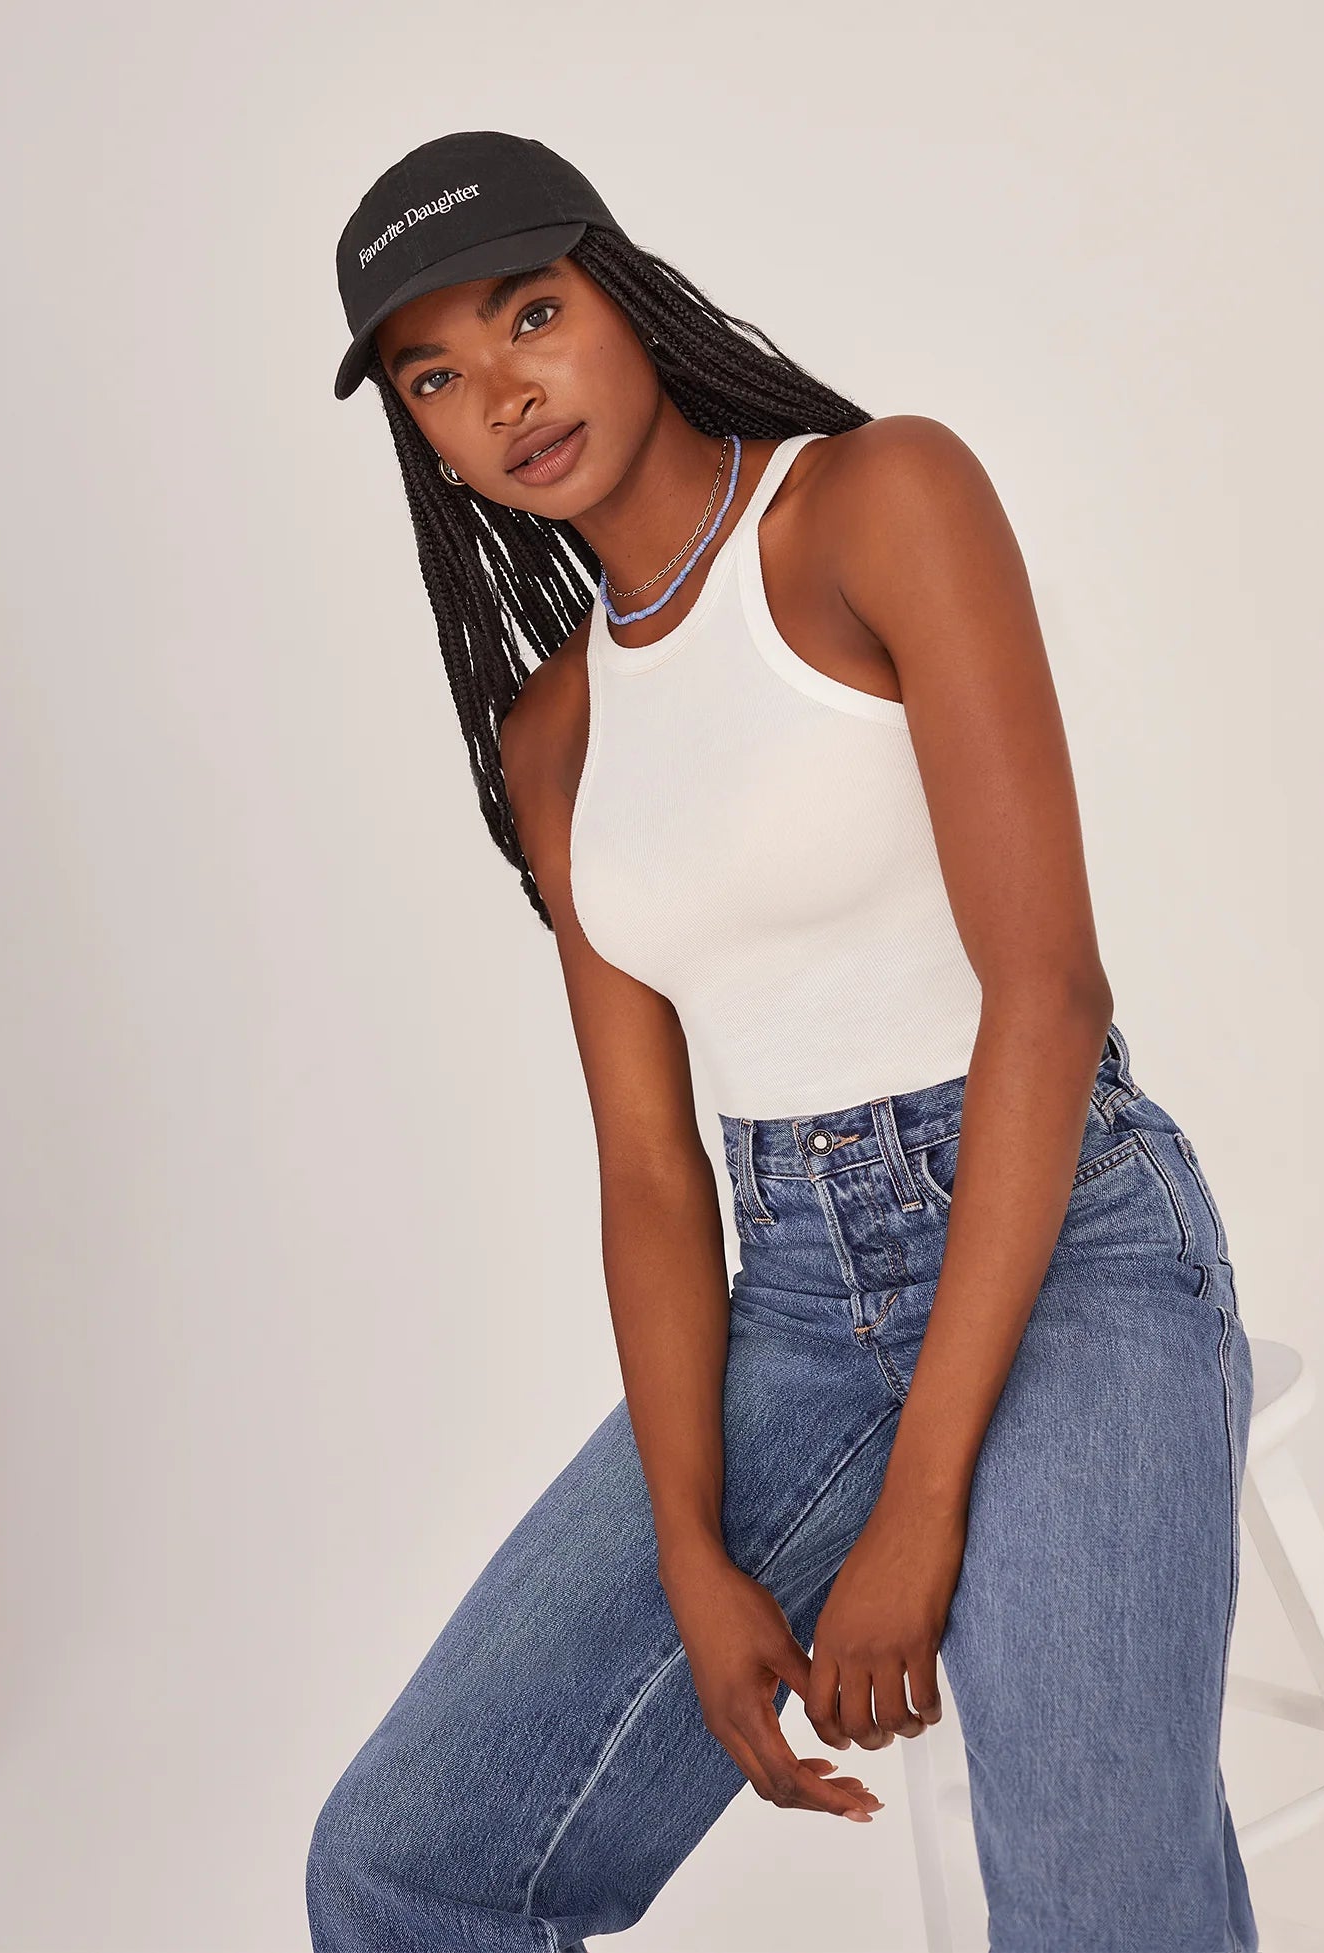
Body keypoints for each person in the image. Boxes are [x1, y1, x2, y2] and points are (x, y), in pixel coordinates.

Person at [306, 129, 1258, 1953]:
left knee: (1091, 1917)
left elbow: (1046, 991)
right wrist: (691, 1548)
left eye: (530, 314)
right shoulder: (555, 734)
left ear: (625, 296)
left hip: (1067, 1239)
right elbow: (653, 1172)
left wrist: (919, 1504)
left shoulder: (876, 500)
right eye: (437, 374)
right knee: (403, 1861)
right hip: (799, 1308)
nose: (502, 392)